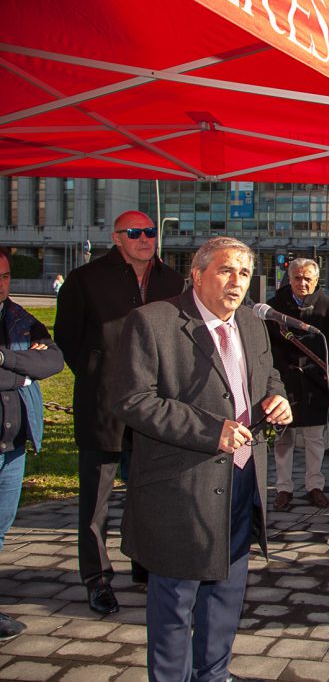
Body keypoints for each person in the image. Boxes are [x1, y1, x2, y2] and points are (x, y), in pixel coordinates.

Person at [113, 236, 291, 680]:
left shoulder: (252, 324)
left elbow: (269, 378)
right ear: (197, 275)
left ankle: (213, 675)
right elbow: (133, 400)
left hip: (241, 481)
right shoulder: (152, 322)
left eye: (245, 273)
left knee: (227, 594)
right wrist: (211, 431)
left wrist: (279, 402)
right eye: (226, 271)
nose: (237, 282)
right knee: (175, 601)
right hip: (180, 487)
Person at [54, 209, 185, 616]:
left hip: (156, 408)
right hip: (104, 406)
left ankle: (146, 566)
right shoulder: (85, 280)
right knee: (96, 500)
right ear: (117, 237)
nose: (146, 238)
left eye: (150, 231)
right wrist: (99, 374)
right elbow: (68, 338)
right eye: (135, 232)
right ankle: (97, 579)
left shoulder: (172, 280)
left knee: (149, 492)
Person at [0, 247, 64, 641]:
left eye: (5, 276)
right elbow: (31, 369)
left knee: (0, 531)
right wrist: (21, 372)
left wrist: (6, 361)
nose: (1, 283)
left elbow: (53, 362)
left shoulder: (18, 317)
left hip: (14, 445)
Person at [266, 258, 329, 511]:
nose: (303, 283)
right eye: (298, 278)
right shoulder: (274, 307)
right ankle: (283, 488)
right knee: (284, 439)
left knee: (315, 439)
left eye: (308, 278)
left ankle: (314, 486)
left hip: (315, 381)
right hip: (284, 381)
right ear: (289, 279)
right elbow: (266, 347)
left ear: (316, 279)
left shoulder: (327, 306)